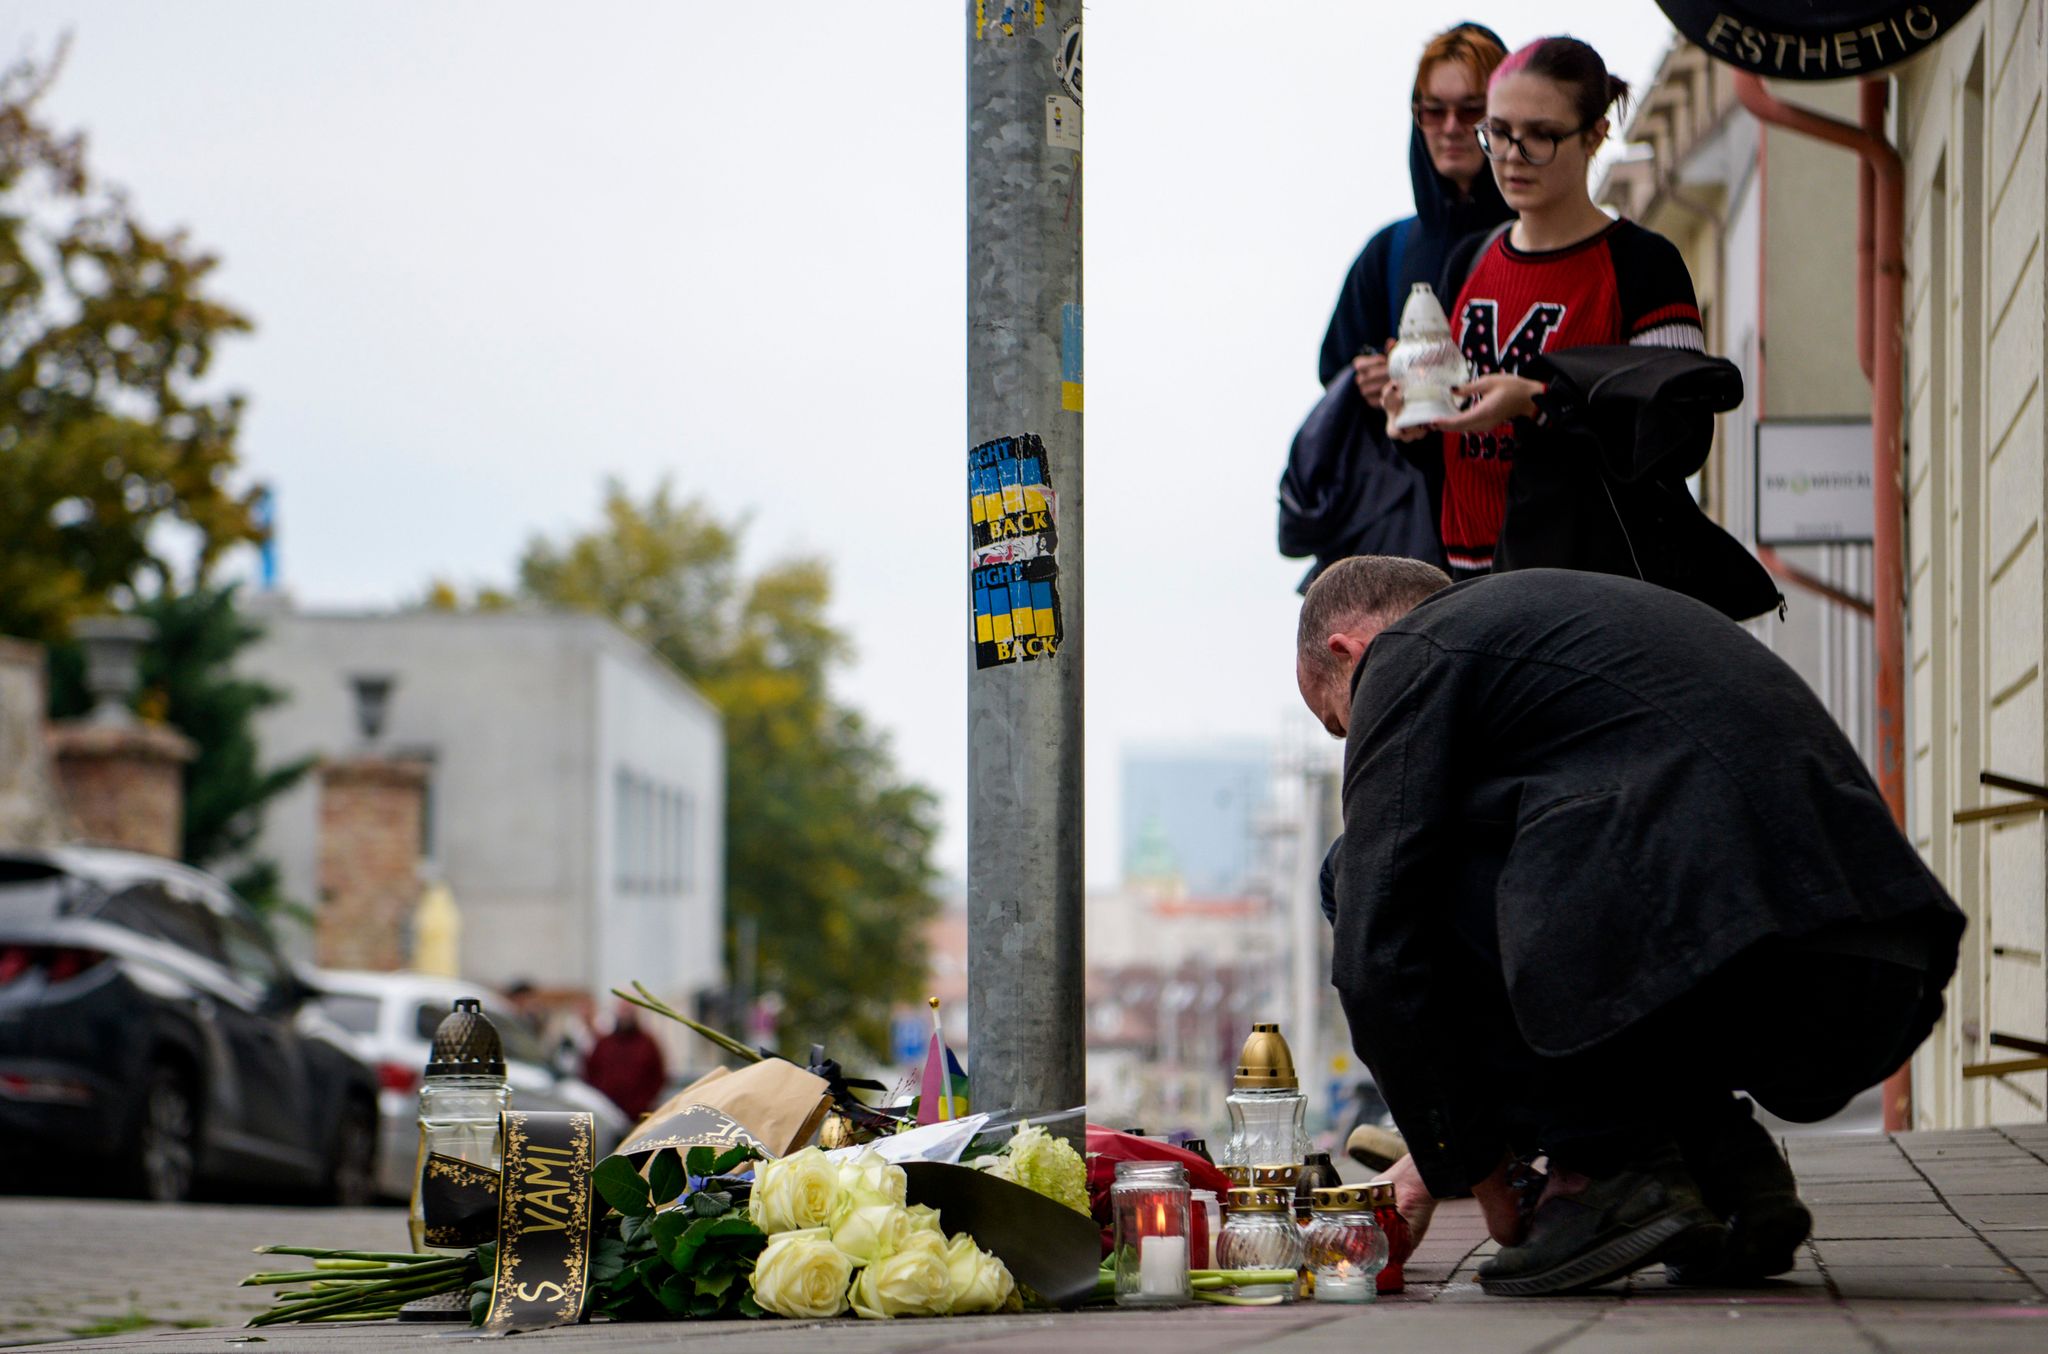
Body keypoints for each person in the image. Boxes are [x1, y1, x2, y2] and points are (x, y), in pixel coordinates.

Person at [1295, 557, 1963, 1296]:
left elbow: (1374, 956)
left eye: (1340, 722)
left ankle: (1609, 1173)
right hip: (1875, 960)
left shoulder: (1411, 650)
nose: (1355, 743)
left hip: (1730, 931)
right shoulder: (1567, 637)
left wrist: (1487, 1187)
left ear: (1346, 652)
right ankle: (1726, 1173)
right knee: (1498, 864)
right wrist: (1433, 1165)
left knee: (1358, 872)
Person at [1386, 36, 1762, 601]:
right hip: (1465, 581)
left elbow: (1678, 437)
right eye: (1497, 132)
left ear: (1595, 135)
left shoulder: (1642, 265)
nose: (1512, 155)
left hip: (1587, 588)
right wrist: (1414, 424)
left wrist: (1537, 403)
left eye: (1540, 136)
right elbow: (1453, 444)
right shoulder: (1469, 261)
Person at [581, 1000, 668, 1123]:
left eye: (629, 1010)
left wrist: (644, 1102)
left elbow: (659, 1077)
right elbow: (590, 1074)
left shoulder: (648, 1044)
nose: (626, 1015)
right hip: (607, 1116)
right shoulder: (604, 1044)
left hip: (639, 1117)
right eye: (623, 1010)